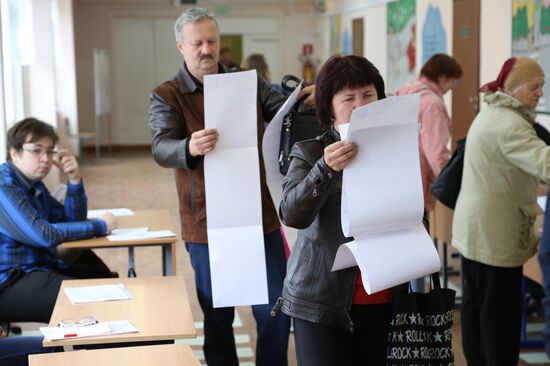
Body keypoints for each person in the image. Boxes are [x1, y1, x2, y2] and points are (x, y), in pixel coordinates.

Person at [148, 7, 314, 366]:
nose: (205, 49)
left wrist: (307, 97)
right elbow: (161, 147)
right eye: (196, 43)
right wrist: (188, 147)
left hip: (260, 216)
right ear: (181, 46)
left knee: (275, 308)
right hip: (205, 222)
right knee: (218, 314)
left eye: (211, 41)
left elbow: (280, 107)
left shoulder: (246, 81)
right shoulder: (167, 94)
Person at [275, 55, 393, 366]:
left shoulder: (394, 148)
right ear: (329, 110)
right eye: (348, 98)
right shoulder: (310, 152)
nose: (360, 105)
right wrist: (325, 169)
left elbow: (412, 214)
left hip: (380, 292)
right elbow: (291, 214)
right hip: (320, 298)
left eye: (368, 95)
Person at [452, 56, 548, 365]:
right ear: (515, 88)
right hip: (494, 237)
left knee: (478, 309)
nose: (540, 93)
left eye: (542, 86)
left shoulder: (493, 111)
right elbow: (546, 163)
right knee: (500, 318)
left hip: (477, 231)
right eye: (535, 87)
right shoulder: (510, 126)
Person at [0, 118, 118, 324]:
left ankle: (105, 350)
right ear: (14, 153)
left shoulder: (34, 185)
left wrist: (74, 180)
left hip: (38, 268)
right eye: (36, 150)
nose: (45, 158)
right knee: (89, 303)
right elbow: (44, 235)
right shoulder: (4, 187)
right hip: (10, 280)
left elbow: (71, 221)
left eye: (50, 150)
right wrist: (101, 225)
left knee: (103, 279)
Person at [396, 53, 462, 212]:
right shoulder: (433, 104)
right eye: (453, 81)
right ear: (441, 77)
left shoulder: (407, 91)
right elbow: (435, 151)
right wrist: (452, 184)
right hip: (419, 179)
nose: (453, 87)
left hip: (400, 173)